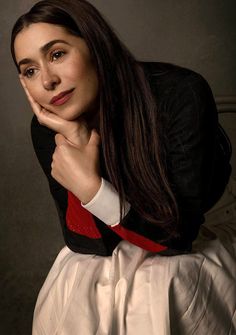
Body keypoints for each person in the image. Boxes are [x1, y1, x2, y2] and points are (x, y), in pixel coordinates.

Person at [11, 0, 233, 334]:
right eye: (30, 70)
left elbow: (177, 238)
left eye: (57, 54)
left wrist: (91, 187)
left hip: (193, 241)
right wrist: (74, 136)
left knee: (157, 294)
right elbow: (90, 243)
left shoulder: (180, 93)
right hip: (126, 236)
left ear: (95, 44)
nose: (47, 81)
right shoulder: (48, 127)